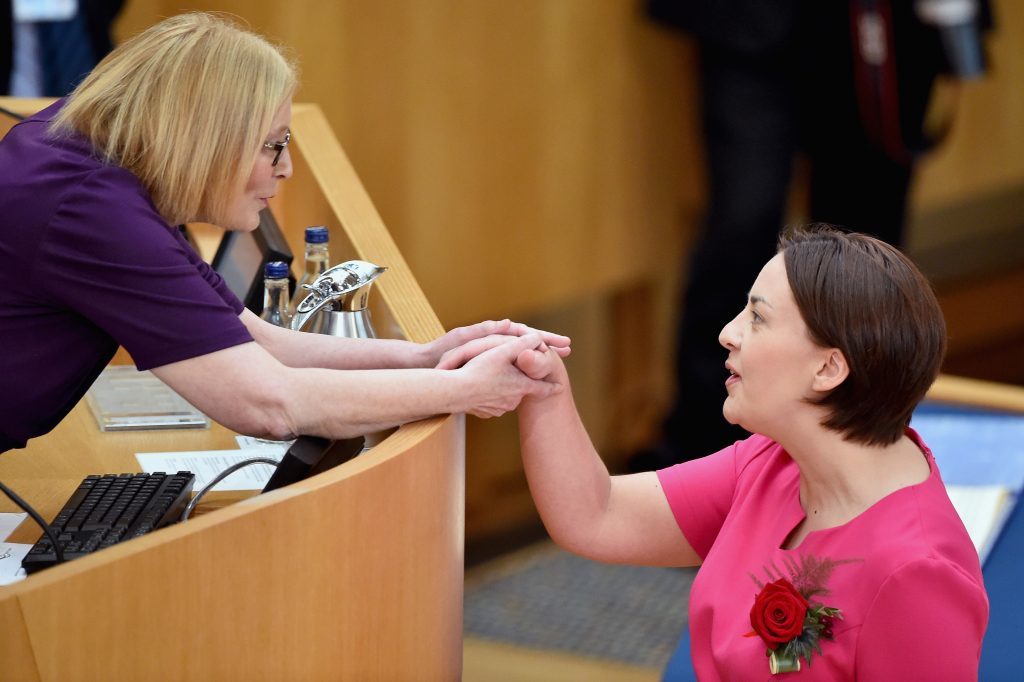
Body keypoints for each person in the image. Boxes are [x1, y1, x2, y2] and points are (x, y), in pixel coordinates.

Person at [0, 12, 570, 456]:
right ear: (207, 138)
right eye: (273, 144)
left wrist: (426, 357)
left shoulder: (90, 147)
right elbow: (268, 403)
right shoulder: (93, 209)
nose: (286, 167)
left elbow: (259, 340)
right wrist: (466, 392)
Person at [444, 225, 988, 679]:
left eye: (757, 317)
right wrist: (546, 391)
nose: (728, 333)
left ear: (828, 368)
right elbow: (597, 514)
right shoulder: (771, 463)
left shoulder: (917, 573)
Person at [635, 0, 992, 469]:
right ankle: (702, 453)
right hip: (754, 20)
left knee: (865, 244)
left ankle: (860, 440)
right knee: (741, 230)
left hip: (890, 26)